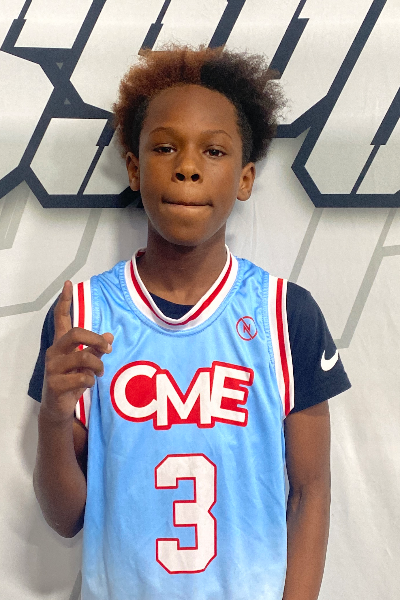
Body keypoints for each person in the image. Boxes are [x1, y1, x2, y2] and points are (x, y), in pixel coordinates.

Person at [29, 46, 351, 600]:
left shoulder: (285, 314)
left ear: (244, 179)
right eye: (164, 147)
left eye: (214, 150)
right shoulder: (81, 316)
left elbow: (310, 494)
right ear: (134, 168)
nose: (187, 166)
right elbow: (66, 519)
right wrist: (54, 418)